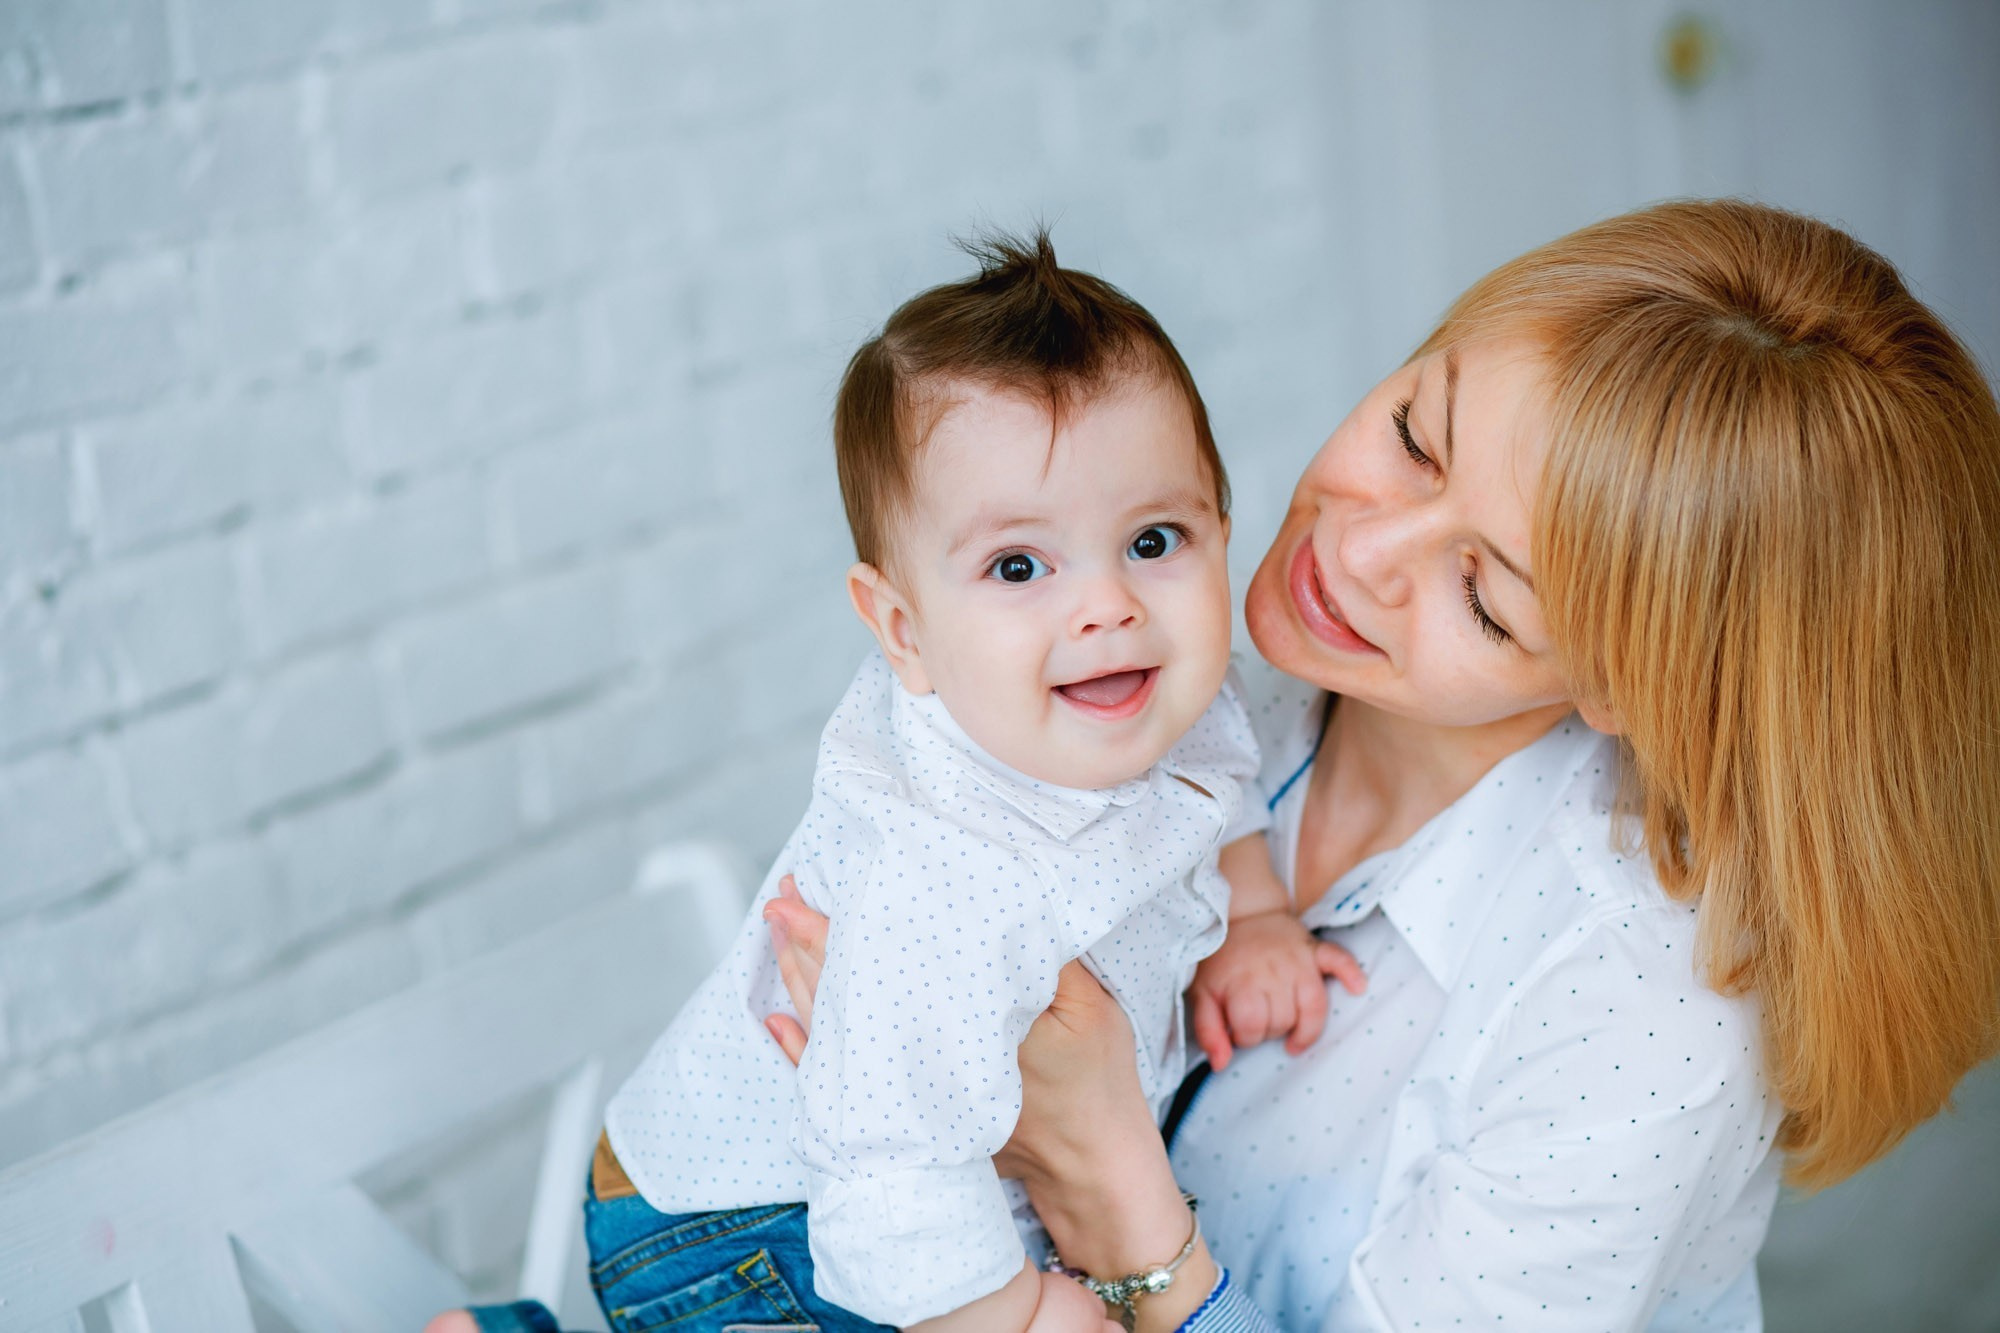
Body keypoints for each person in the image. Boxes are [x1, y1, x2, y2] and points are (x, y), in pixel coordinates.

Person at [760, 199, 2000, 1330]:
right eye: (1416, 434)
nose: (1355, 549)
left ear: (1628, 685)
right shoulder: (1201, 696)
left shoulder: (1648, 1006)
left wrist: (1099, 1171)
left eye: (1484, 595)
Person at [438, 234, 1362, 1333]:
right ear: (899, 628)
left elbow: (1217, 779)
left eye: (1153, 539)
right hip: (755, 1216)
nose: (1107, 605)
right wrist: (1005, 1318)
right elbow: (884, 1161)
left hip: (920, 1172)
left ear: (1219, 524)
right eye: (1018, 567)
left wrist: (1253, 914)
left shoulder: (1158, 691)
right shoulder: (944, 872)